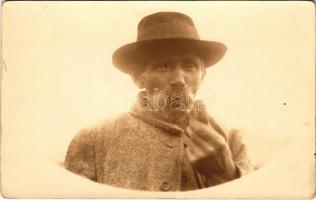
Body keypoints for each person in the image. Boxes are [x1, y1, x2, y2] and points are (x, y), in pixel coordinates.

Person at [64, 11, 252, 191]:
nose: (179, 79)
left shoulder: (232, 138)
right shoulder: (92, 140)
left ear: (202, 75)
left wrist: (226, 173)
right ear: (138, 77)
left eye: (190, 65)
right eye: (163, 65)